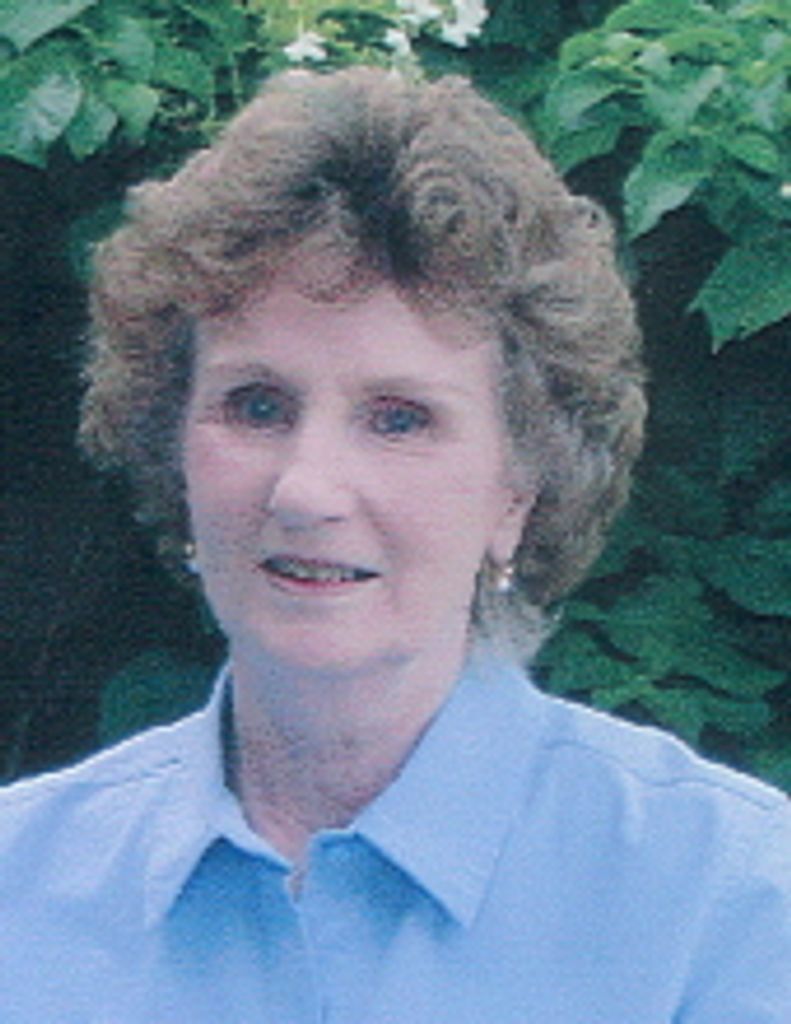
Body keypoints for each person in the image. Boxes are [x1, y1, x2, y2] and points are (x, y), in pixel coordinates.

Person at [1, 67, 788, 1022]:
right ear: (172, 447)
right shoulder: (20, 892)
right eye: (256, 406)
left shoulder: (727, 901)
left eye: (399, 418)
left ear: (520, 490)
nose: (305, 490)